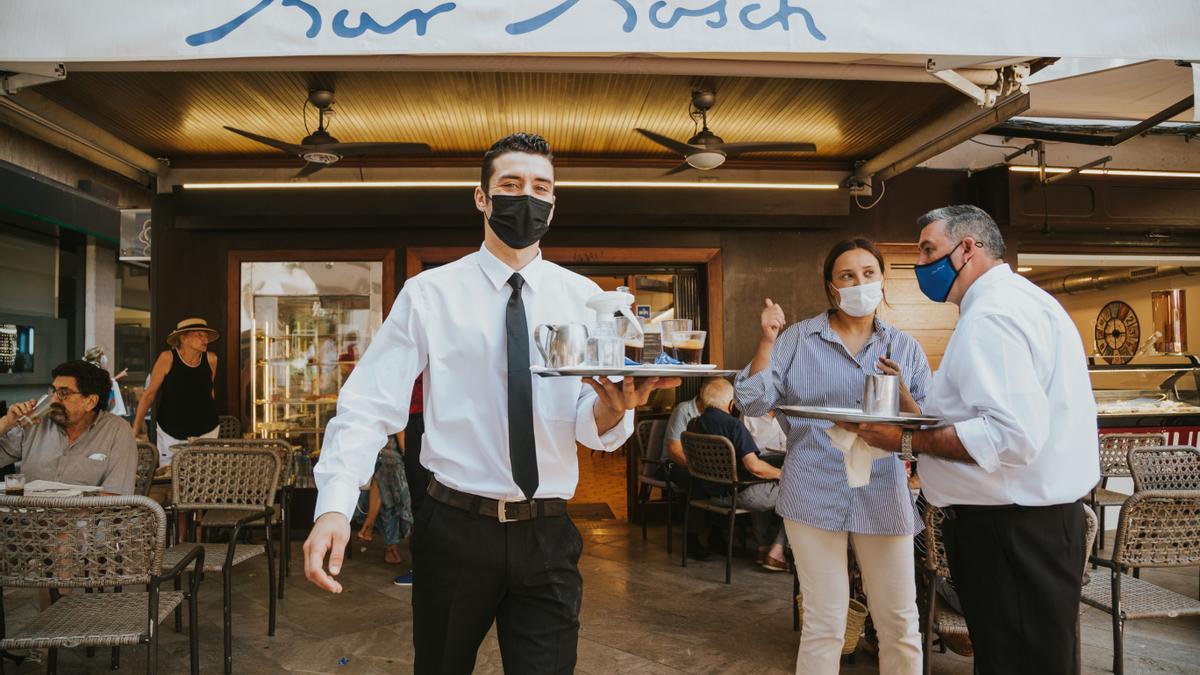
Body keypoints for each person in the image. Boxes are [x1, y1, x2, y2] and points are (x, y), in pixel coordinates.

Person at [303, 132, 678, 674]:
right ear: (481, 198)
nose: (526, 196)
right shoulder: (430, 294)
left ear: (553, 203)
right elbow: (367, 406)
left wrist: (616, 408)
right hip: (455, 527)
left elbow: (583, 419)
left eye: (540, 187)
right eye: (510, 184)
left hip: (548, 532)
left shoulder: (584, 298)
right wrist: (335, 505)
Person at [844, 206, 1098, 675]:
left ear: (967, 248)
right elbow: (987, 418)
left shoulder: (992, 317)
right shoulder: (1023, 301)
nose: (920, 264)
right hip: (1030, 526)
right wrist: (917, 415)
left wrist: (903, 440)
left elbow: (1010, 436)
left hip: (1012, 532)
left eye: (928, 250)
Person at [737, 238, 930, 675]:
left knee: (900, 621)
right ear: (831, 287)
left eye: (868, 274)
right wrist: (767, 341)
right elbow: (750, 402)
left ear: (882, 281)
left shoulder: (906, 348)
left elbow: (925, 427)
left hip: (884, 490)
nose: (859, 283)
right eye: (847, 276)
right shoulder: (797, 340)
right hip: (812, 487)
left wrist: (902, 399)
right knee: (824, 622)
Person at [684, 377, 788, 570]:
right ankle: (777, 551)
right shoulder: (734, 426)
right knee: (801, 493)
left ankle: (763, 548)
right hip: (739, 495)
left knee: (762, 483)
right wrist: (784, 475)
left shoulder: (694, 424)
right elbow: (754, 467)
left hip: (710, 495)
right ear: (732, 404)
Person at [0, 360, 137, 495]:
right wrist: (7, 422)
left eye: (64, 393)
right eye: (53, 391)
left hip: (85, 517)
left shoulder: (117, 431)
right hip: (27, 515)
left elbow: (115, 498)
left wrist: (63, 515)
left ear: (90, 401)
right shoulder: (35, 423)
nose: (53, 400)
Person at [133, 318, 220, 466]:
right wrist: (135, 429)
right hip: (171, 430)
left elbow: (209, 391)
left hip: (207, 429)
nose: (204, 339)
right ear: (183, 338)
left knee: (204, 478)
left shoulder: (211, 359)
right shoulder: (167, 358)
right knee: (170, 477)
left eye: (205, 335)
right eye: (199, 335)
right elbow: (149, 394)